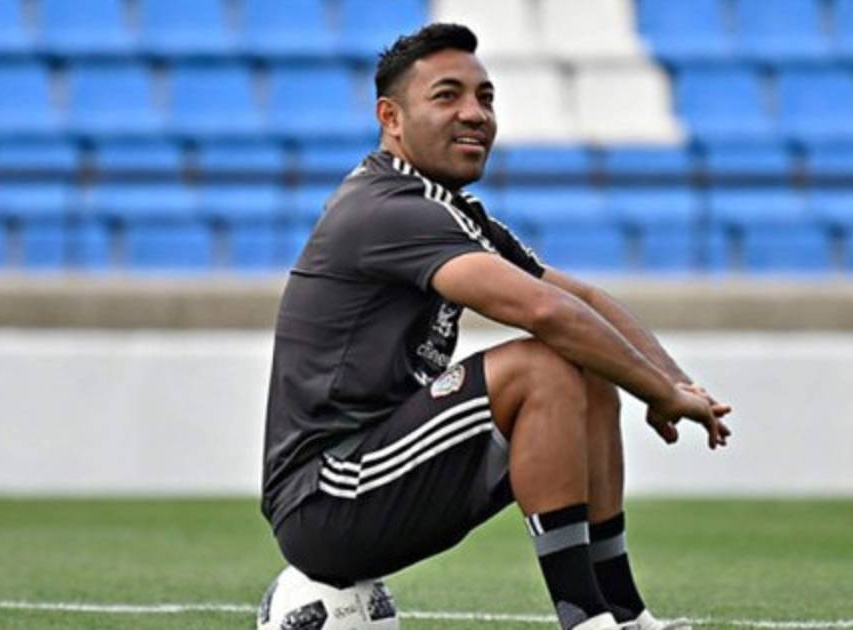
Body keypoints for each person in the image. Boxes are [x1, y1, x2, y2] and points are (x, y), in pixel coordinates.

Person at [261, 23, 732, 630]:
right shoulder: (386, 209)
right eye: (447, 95)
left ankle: (625, 614)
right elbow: (543, 313)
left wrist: (674, 382)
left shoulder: (443, 209)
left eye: (485, 98)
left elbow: (582, 299)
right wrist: (659, 392)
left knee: (589, 365)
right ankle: (586, 619)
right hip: (327, 495)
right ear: (390, 117)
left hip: (383, 471)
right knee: (542, 364)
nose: (475, 113)